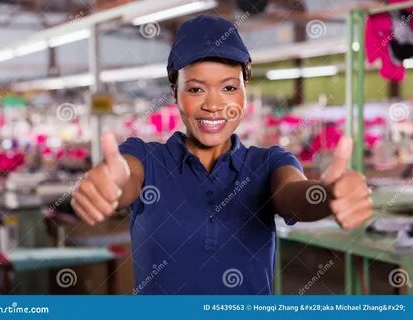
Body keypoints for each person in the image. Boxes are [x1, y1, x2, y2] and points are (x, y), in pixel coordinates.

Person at [71, 15, 372, 294]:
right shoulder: (146, 159)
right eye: (196, 89)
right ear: (174, 90)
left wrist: (327, 194)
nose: (214, 105)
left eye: (229, 87)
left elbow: (295, 194)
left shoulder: (268, 164)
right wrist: (110, 186)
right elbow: (126, 178)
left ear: (245, 90)